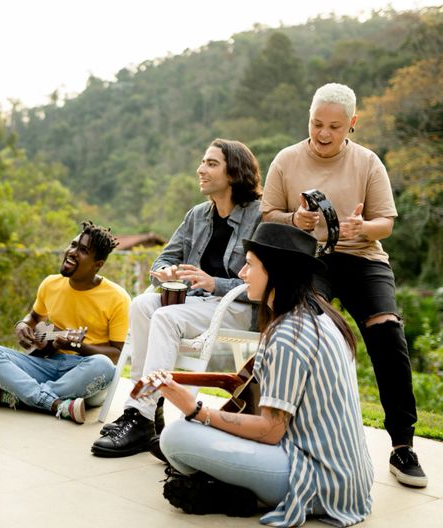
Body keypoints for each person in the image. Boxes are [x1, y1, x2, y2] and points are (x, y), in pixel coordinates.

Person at [261, 82, 427, 488]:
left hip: (362, 257)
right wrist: (293, 220)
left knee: (387, 330)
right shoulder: (286, 159)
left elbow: (385, 223)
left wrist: (362, 227)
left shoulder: (368, 162)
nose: (323, 133)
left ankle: (402, 444)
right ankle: (295, 432)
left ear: (352, 123)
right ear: (309, 117)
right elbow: (267, 214)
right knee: (306, 326)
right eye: (316, 123)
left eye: (334, 127)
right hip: (311, 259)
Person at [157, 222, 373, 526]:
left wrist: (197, 410)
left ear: (277, 271)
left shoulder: (288, 335)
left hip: (315, 481)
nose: (242, 273)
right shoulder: (322, 316)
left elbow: (271, 431)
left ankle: (228, 490)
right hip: (350, 479)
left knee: (175, 437)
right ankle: (229, 489)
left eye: (249, 264)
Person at [91, 138, 261, 457]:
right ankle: (146, 410)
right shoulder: (197, 215)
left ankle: (139, 414)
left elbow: (263, 282)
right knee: (142, 305)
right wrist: (165, 272)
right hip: (197, 305)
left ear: (234, 173)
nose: (201, 169)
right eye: (202, 162)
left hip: (237, 308)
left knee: (166, 316)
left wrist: (214, 283)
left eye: (211, 163)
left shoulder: (259, 215)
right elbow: (164, 259)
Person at [0, 221, 130, 424]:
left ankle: (24, 395)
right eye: (73, 245)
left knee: (103, 365)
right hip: (47, 364)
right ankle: (54, 402)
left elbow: (117, 355)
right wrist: (22, 325)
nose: (73, 252)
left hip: (84, 373)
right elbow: (34, 318)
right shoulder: (51, 284)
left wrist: (78, 347)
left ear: (98, 264)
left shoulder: (118, 297)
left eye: (83, 250)